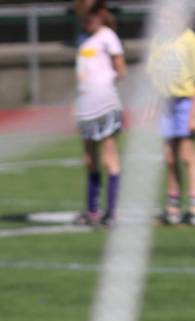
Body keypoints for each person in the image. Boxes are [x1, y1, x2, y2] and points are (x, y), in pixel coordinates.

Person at [147, 8, 195, 226]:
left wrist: (194, 115)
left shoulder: (191, 41)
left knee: (187, 155)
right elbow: (154, 78)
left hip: (185, 103)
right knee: (169, 157)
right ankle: (172, 207)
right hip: (166, 104)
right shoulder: (158, 41)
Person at [73, 0, 126, 227]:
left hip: (104, 104)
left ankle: (112, 212)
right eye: (85, 16)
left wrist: (104, 86)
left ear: (101, 14)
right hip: (86, 106)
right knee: (89, 159)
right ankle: (92, 211)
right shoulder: (83, 40)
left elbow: (121, 70)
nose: (88, 20)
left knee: (109, 158)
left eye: (92, 15)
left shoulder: (108, 37)